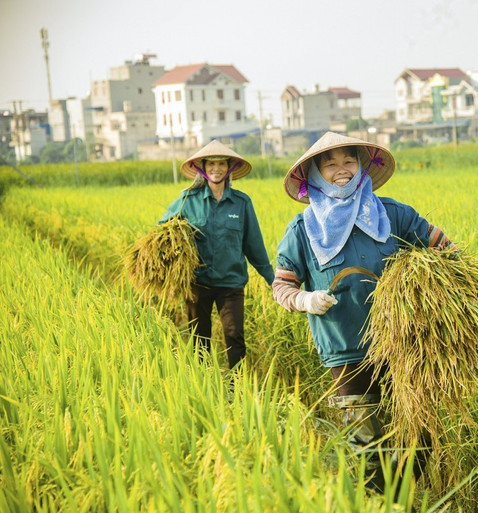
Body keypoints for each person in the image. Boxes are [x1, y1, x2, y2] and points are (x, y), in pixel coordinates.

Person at [272, 131, 454, 491]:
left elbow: (444, 248)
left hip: (404, 345)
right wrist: (306, 299)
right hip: (346, 352)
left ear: (361, 166)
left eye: (349, 161)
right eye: (330, 164)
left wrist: (450, 286)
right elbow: (282, 286)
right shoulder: (303, 230)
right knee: (364, 445)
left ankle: (404, 497)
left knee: (420, 436)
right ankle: (379, 504)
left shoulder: (392, 215)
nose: (341, 170)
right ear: (315, 174)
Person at [159, 140, 274, 370]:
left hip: (231, 283)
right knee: (199, 339)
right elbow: (163, 231)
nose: (216, 168)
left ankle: (237, 387)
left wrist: (273, 280)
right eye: (211, 164)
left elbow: (254, 246)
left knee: (234, 336)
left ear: (229, 167)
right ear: (202, 168)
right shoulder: (187, 200)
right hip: (197, 284)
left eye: (221, 163)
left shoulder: (241, 203)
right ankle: (205, 385)